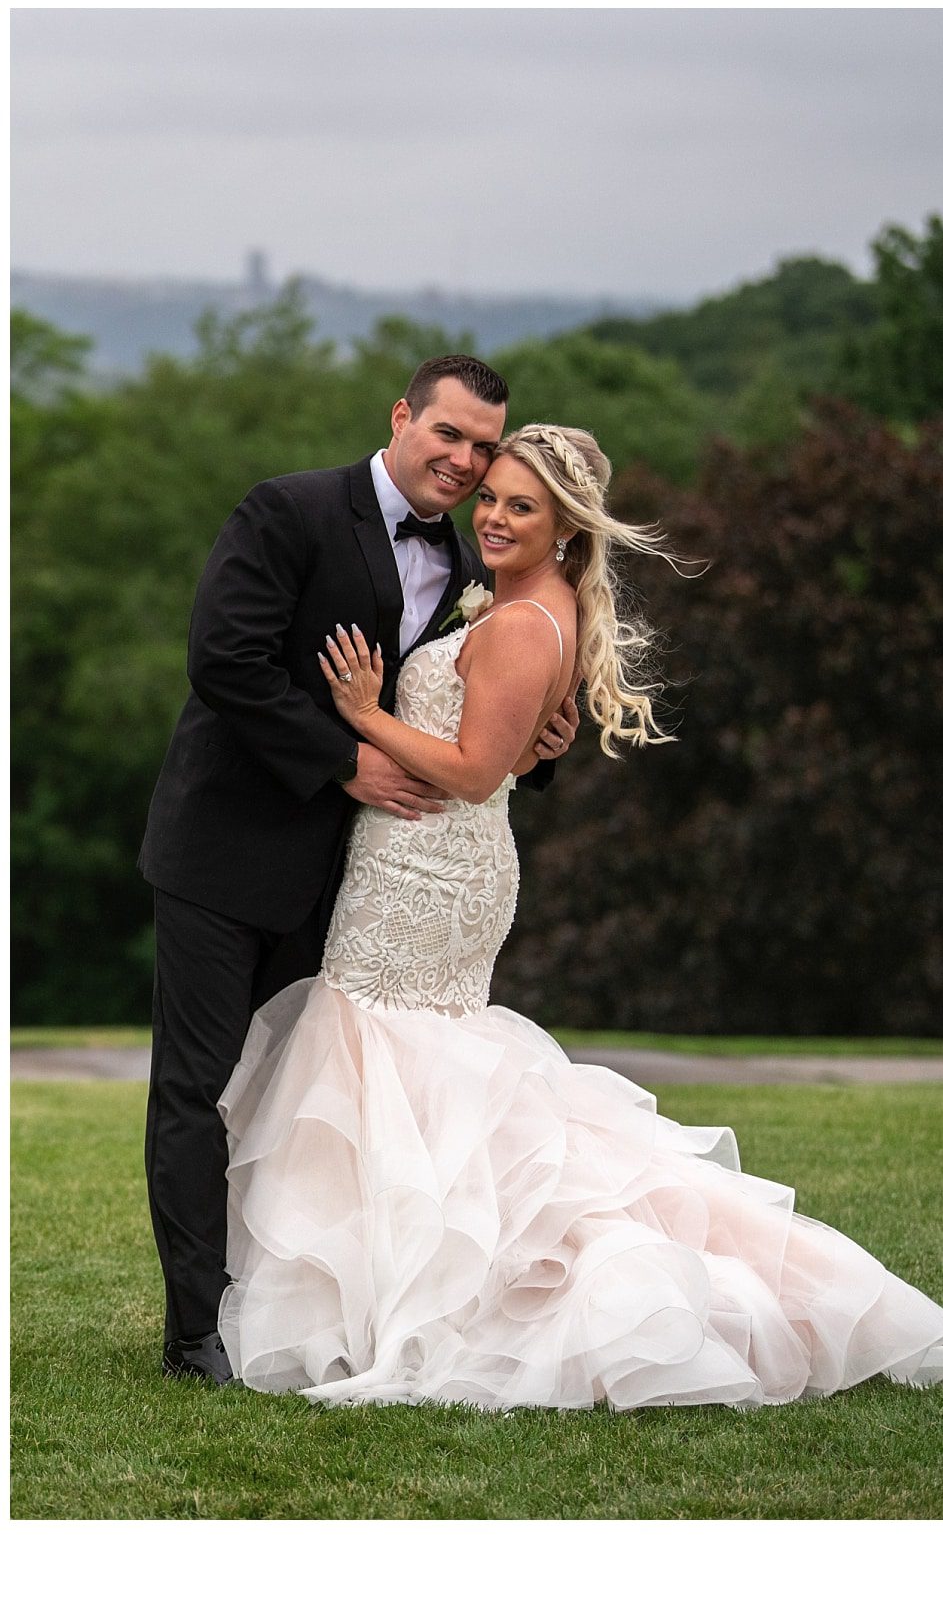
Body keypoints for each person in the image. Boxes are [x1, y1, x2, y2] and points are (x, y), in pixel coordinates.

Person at [215, 422, 943, 1408]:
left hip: (432, 869)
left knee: (392, 1055)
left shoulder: (528, 620)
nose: (492, 516)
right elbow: (510, 748)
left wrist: (364, 715)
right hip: (421, 860)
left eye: (520, 506)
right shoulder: (529, 605)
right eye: (490, 498)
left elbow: (476, 770)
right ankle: (392, 1281)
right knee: (408, 1069)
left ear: (568, 527)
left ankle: (440, 1295)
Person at [139, 355, 577, 1385]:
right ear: (401, 418)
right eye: (450, 437)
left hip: (356, 881)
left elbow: (478, 706)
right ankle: (194, 1330)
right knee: (198, 1092)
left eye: (483, 447)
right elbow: (226, 659)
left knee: (309, 1101)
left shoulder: (482, 564)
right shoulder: (287, 510)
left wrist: (539, 748)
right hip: (224, 851)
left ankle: (296, 1306)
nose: (466, 464)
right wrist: (347, 757)